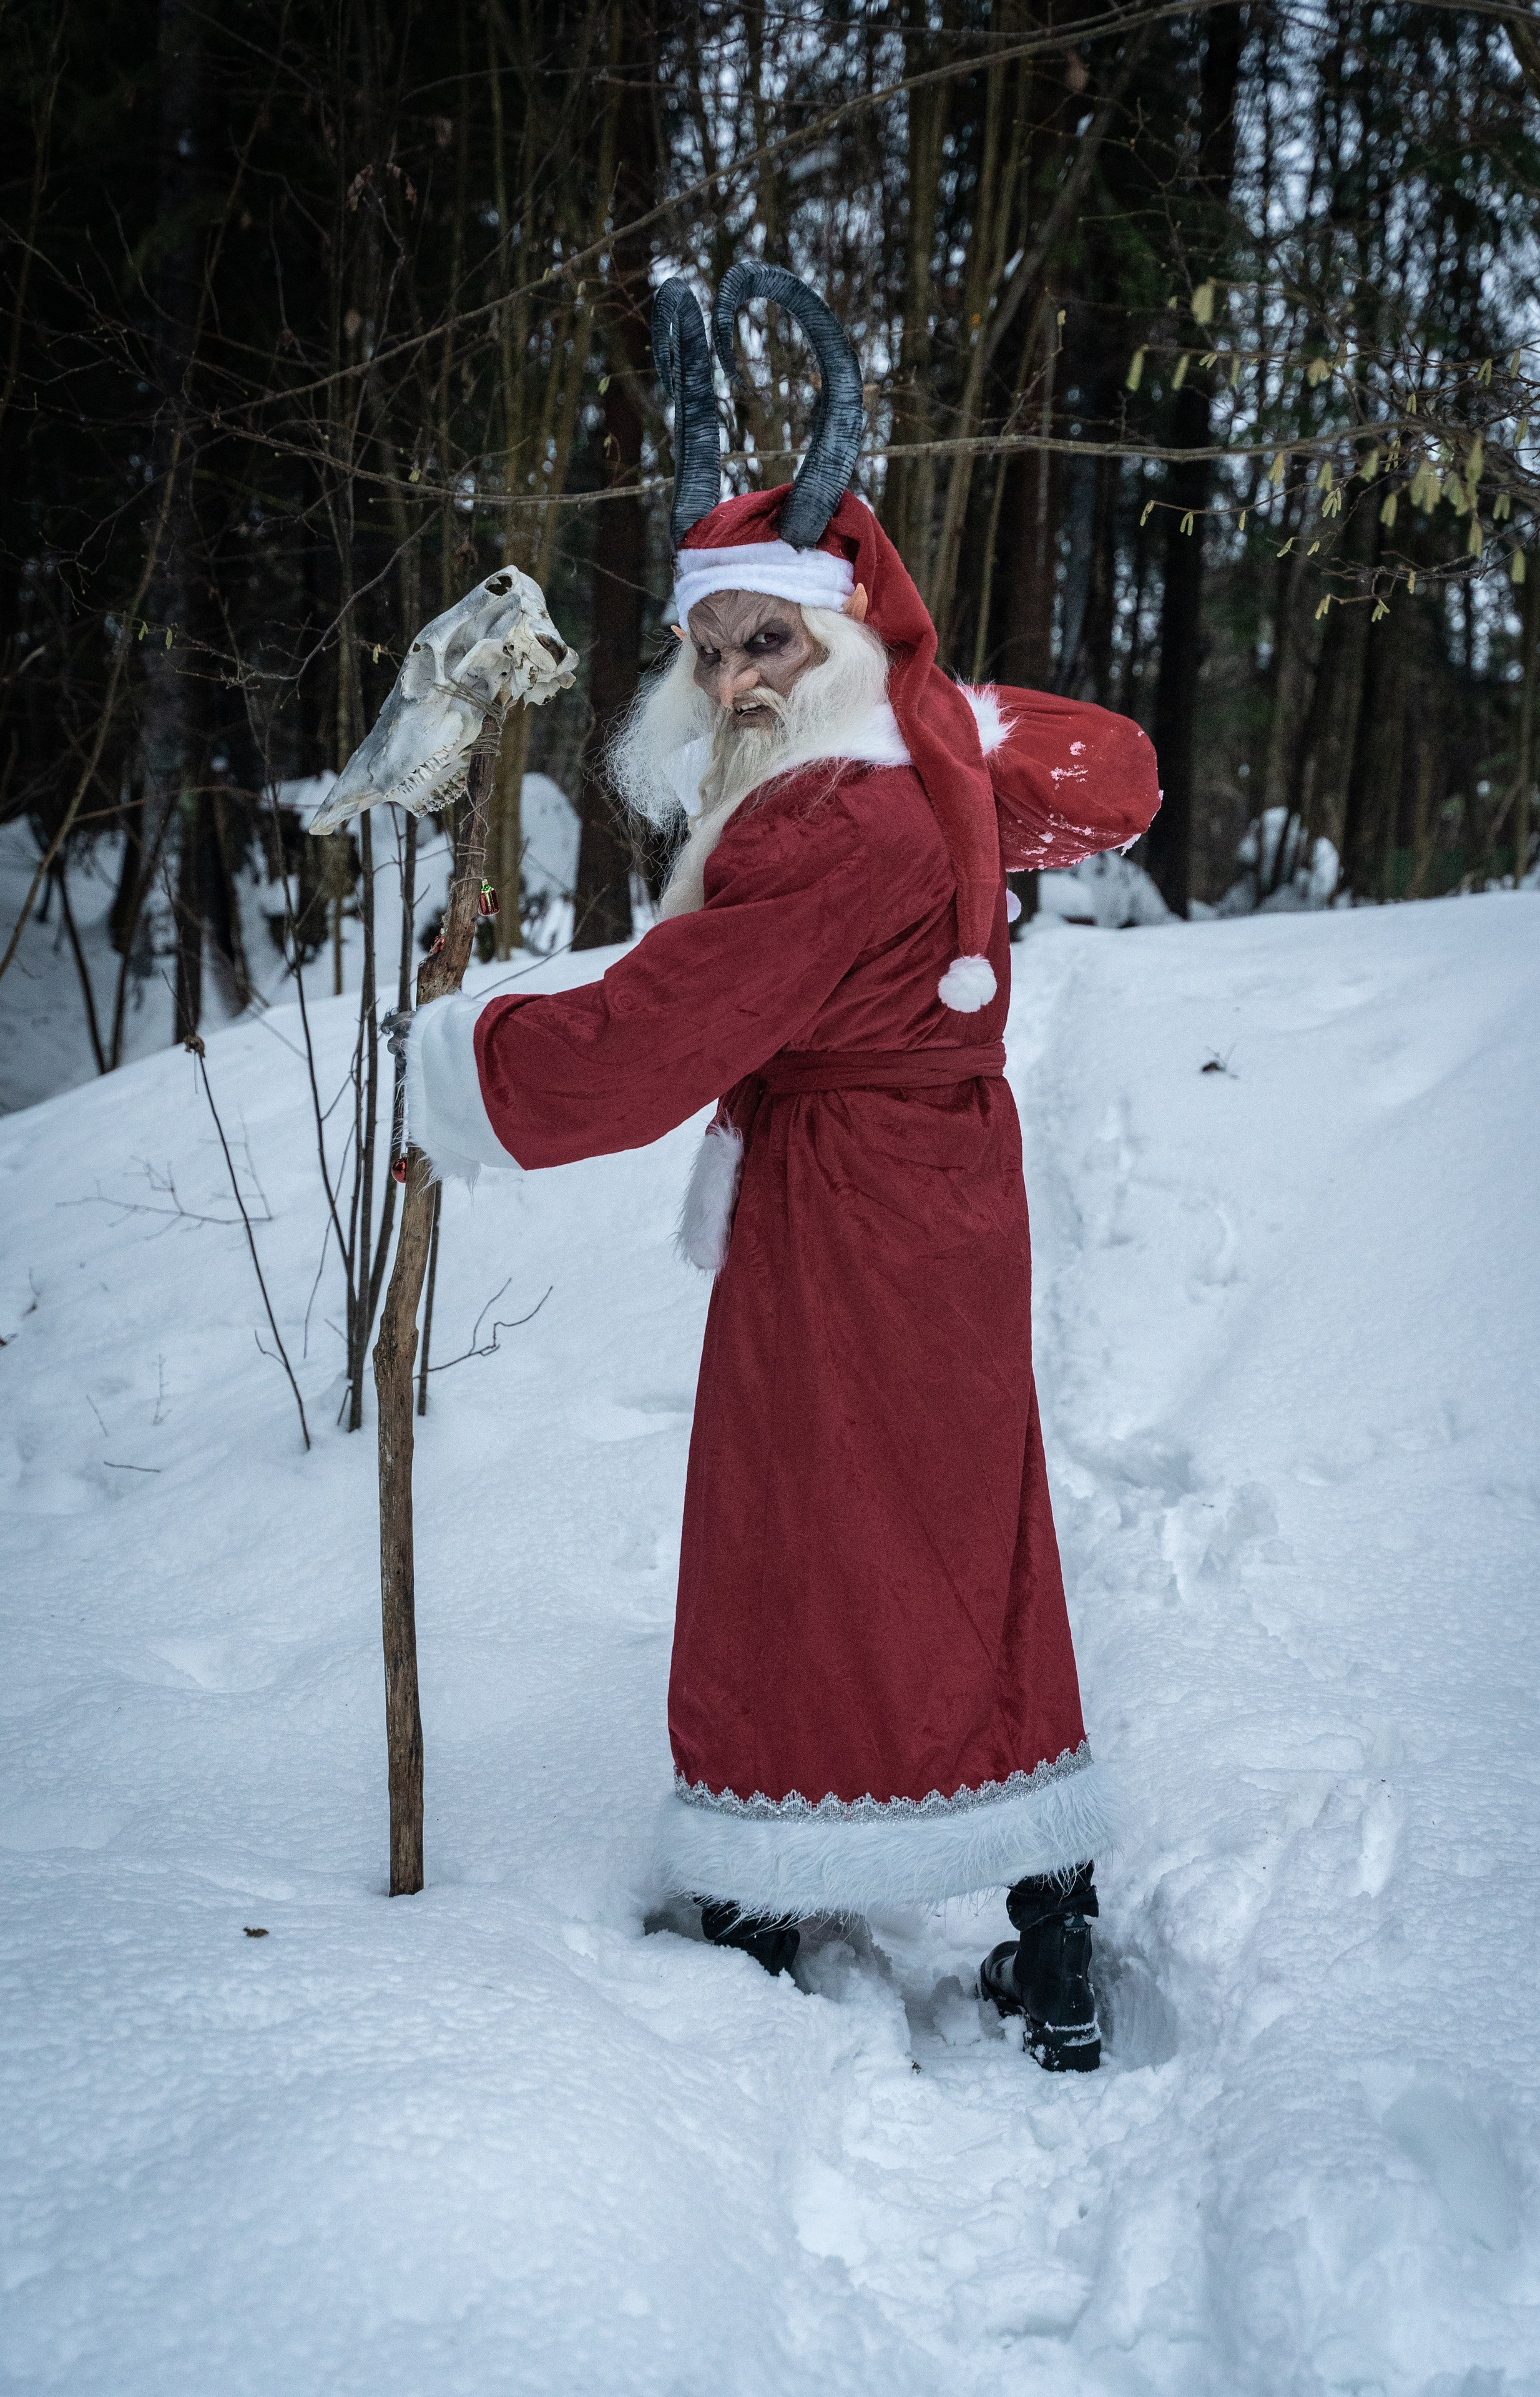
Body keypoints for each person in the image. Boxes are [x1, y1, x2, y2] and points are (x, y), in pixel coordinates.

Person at [399, 267, 1160, 2071]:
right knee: (970, 1535)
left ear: (843, 637)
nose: (738, 681)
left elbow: (664, 1037)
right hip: (946, 1193)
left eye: (774, 644)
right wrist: (941, 714)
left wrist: (468, 1065)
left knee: (808, 1528)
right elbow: (1103, 778)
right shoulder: (910, 771)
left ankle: (764, 1890)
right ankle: (1047, 1924)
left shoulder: (830, 815)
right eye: (714, 647)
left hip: (850, 1215)